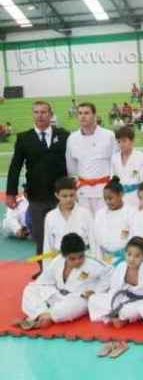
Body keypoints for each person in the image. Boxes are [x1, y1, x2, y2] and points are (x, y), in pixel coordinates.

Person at [6, 101, 69, 276]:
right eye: (36, 112)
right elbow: (15, 167)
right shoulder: (24, 138)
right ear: (33, 115)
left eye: (43, 112)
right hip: (36, 196)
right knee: (40, 235)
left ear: (50, 114)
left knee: (63, 233)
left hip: (61, 196)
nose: (40, 115)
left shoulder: (64, 135)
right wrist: (11, 193)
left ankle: (65, 270)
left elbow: (72, 161)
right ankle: (44, 271)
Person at [17, 233, 108, 330]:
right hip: (58, 296)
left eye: (81, 256)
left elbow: (109, 274)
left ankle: (45, 316)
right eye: (72, 258)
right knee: (30, 289)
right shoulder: (57, 261)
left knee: (79, 303)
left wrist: (96, 292)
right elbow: (42, 282)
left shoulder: (93, 264)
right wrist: (46, 291)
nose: (77, 261)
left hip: (76, 298)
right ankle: (42, 314)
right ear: (64, 255)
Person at [88, 236, 143, 334]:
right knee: (93, 299)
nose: (132, 259)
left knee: (139, 309)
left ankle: (125, 319)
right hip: (123, 299)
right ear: (125, 253)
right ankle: (119, 317)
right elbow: (114, 290)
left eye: (137, 256)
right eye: (129, 254)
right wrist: (114, 309)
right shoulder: (120, 267)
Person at [66, 102, 116, 214]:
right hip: (82, 191)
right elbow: (71, 167)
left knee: (105, 221)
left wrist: (112, 186)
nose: (82, 116)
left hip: (104, 189)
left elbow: (114, 162)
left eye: (86, 113)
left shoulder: (108, 135)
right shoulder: (72, 138)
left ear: (94, 115)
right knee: (85, 222)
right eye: (80, 113)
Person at [41, 177, 93, 263]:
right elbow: (47, 245)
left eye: (71, 195)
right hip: (59, 260)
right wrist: (47, 267)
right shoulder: (50, 216)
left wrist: (94, 264)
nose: (68, 199)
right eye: (64, 196)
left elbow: (93, 242)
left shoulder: (85, 213)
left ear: (76, 193)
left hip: (83, 259)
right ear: (57, 195)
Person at [92, 177, 141, 266]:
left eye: (110, 198)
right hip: (104, 258)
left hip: (126, 258)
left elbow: (136, 236)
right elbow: (96, 238)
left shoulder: (132, 212)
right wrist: (99, 259)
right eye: (105, 199)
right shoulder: (100, 214)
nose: (108, 202)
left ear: (121, 194)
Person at [111, 126, 143, 208]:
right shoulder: (114, 158)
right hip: (120, 197)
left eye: (124, 141)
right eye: (119, 141)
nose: (121, 144)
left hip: (136, 198)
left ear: (132, 141)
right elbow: (113, 179)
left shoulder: (140, 157)